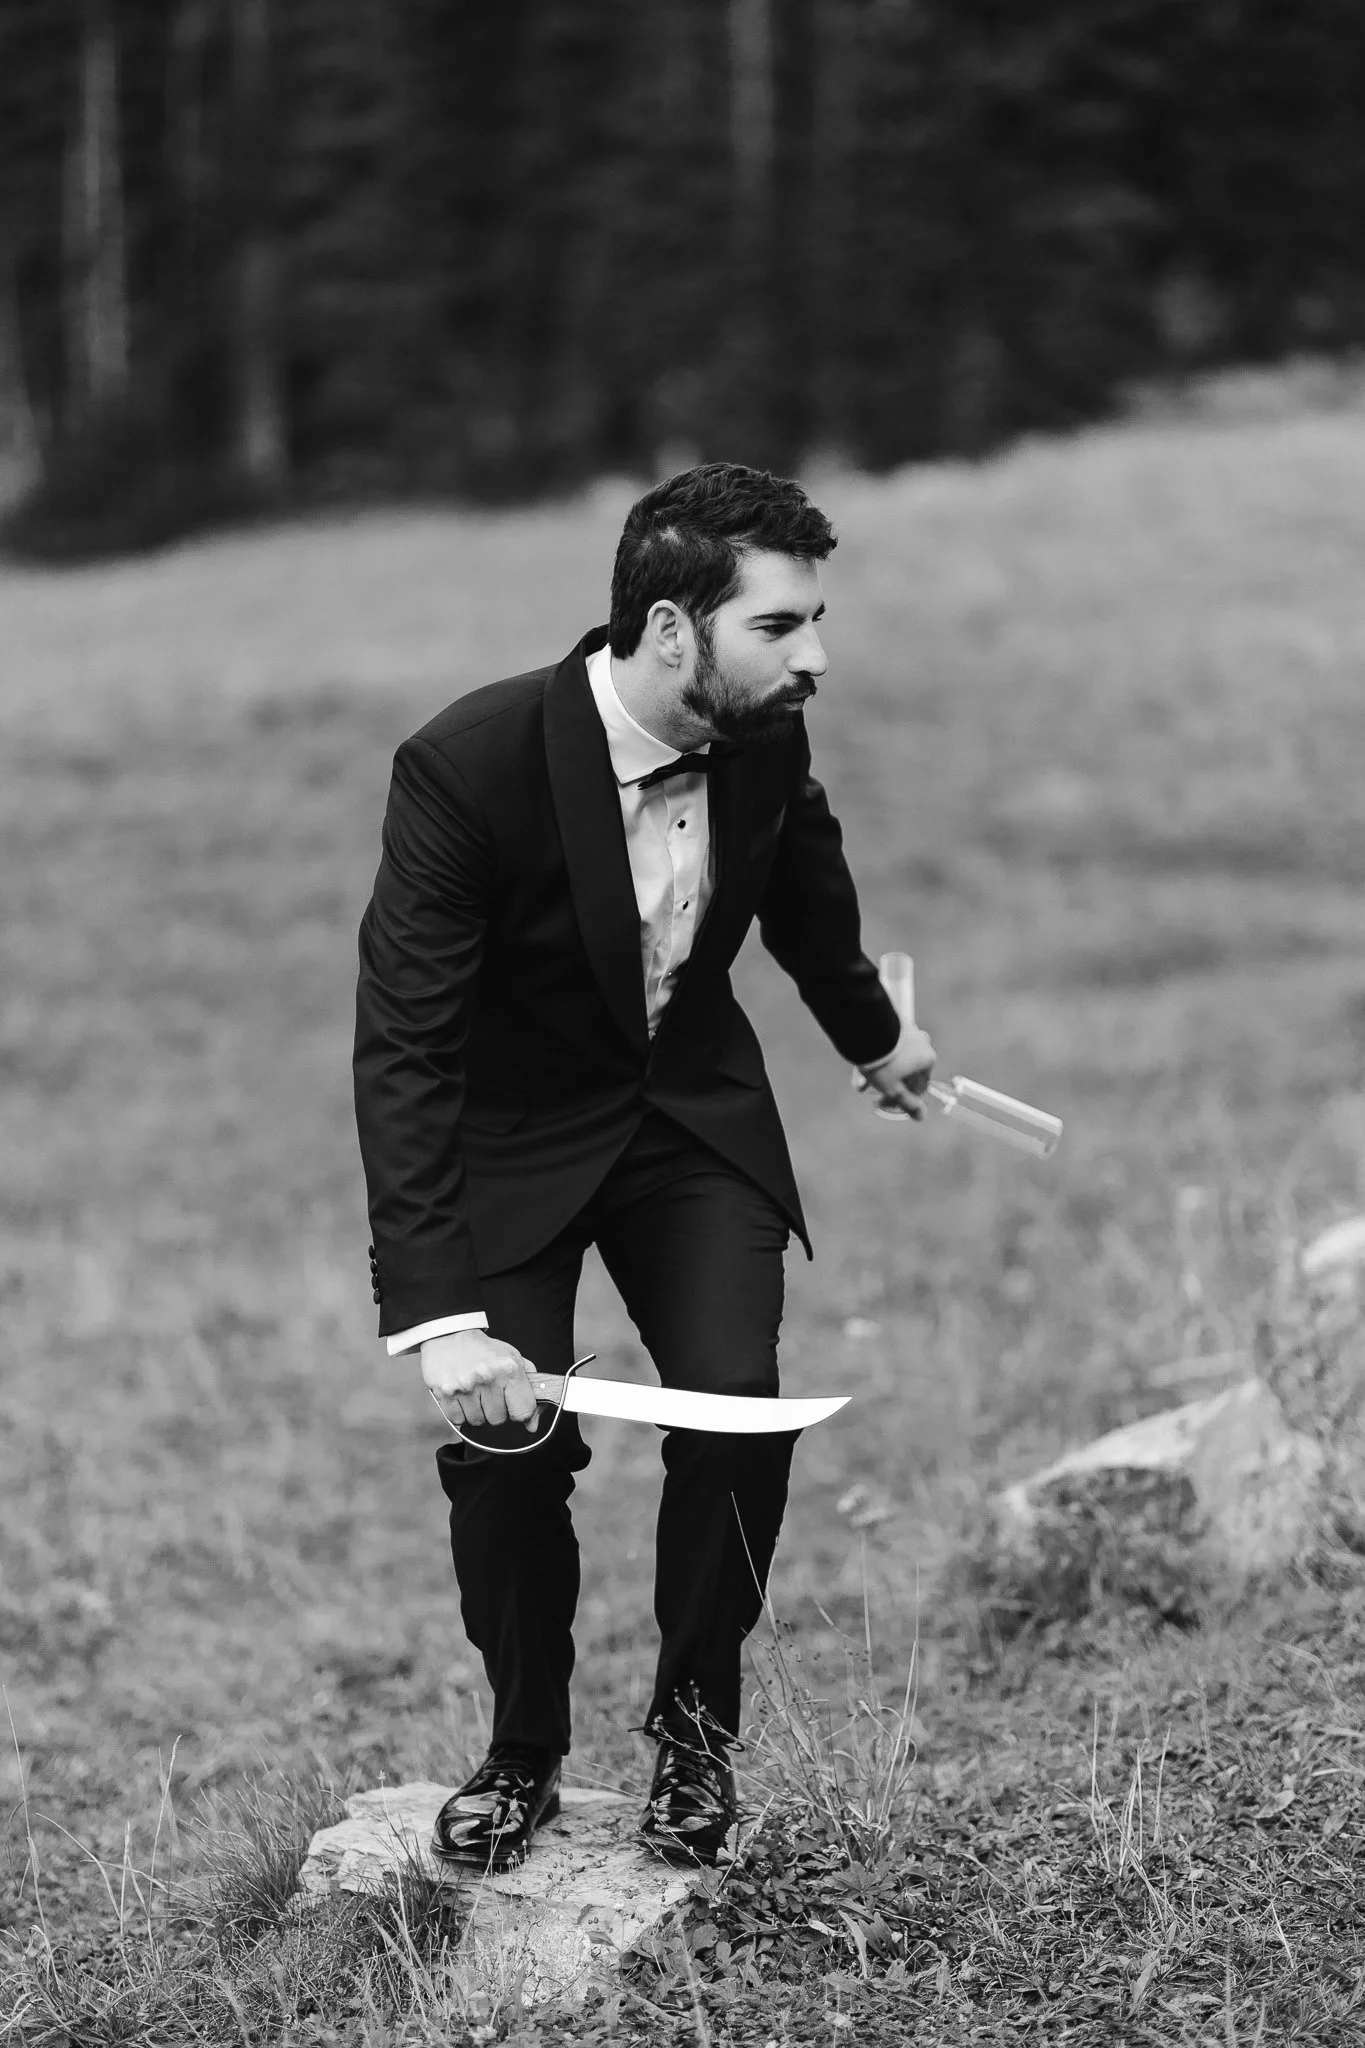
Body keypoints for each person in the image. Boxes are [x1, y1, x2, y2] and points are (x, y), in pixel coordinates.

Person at [353, 462, 935, 1870]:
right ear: (672, 630)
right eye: (779, 626)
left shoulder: (764, 735)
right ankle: (523, 1750)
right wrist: (439, 1318)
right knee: (507, 1448)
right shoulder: (467, 764)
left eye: (814, 621)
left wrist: (879, 1040)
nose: (815, 656)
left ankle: (695, 1737)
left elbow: (808, 900)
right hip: (510, 1140)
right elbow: (405, 1046)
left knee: (737, 1414)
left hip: (689, 1121)